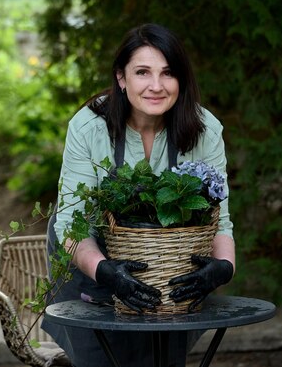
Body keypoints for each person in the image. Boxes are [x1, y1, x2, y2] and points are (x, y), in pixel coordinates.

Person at [41, 23, 236, 367]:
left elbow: (220, 220)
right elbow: (71, 222)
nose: (156, 86)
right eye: (142, 72)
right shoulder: (89, 127)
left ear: (182, 80)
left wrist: (223, 268)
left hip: (167, 280)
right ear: (121, 78)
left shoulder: (205, 129)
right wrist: (104, 271)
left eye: (168, 73)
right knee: (101, 361)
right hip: (92, 271)